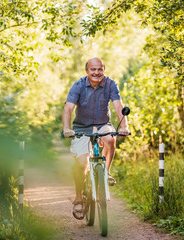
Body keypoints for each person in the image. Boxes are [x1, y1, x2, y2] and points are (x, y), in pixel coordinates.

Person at [62, 57, 129, 220]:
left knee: (110, 140)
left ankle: (105, 172)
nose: (96, 72)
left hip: (102, 124)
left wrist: (124, 126)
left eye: (100, 69)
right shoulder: (78, 85)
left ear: (103, 70)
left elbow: (118, 105)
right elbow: (68, 108)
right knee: (81, 163)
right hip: (81, 128)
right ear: (87, 71)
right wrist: (66, 128)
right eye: (93, 69)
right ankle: (78, 198)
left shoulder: (110, 84)